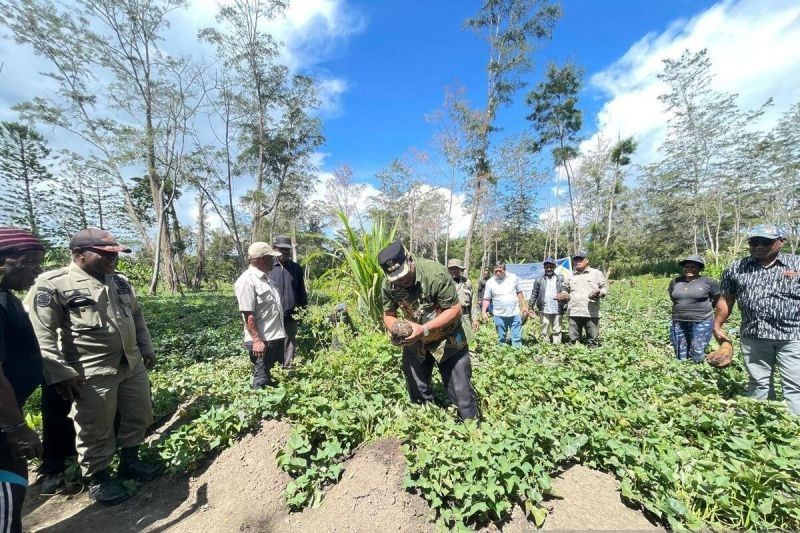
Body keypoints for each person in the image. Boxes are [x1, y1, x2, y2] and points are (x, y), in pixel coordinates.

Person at [25, 228, 159, 505]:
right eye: (105, 255)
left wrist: (146, 348)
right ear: (78, 254)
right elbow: (42, 335)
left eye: (115, 255)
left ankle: (130, 461)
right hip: (89, 371)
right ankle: (98, 476)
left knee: (139, 413)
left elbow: (136, 317)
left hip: (130, 363)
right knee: (94, 426)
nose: (113, 260)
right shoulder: (52, 284)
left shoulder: (119, 281)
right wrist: (60, 374)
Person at [379, 241, 478, 420]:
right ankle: (427, 427)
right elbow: (388, 314)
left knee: (461, 393)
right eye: (396, 278)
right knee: (417, 389)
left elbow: (454, 310)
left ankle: (473, 433)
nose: (402, 280)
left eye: (404, 274)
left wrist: (424, 329)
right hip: (415, 341)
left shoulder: (435, 274)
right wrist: (395, 329)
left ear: (410, 260)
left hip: (447, 338)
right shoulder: (388, 285)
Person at [713, 225, 800, 415]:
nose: (759, 246)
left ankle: (794, 428)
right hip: (754, 335)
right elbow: (726, 298)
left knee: (795, 385)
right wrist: (717, 324)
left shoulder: (797, 265)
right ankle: (760, 423)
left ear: (781, 242)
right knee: (758, 383)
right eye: (754, 242)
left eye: (766, 242)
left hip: (793, 336)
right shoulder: (736, 268)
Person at [0, 228, 45, 533]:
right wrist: (17, 429)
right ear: (5, 260)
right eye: (31, 263)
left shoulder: (7, 299)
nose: (37, 272)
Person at [235, 242, 286, 389]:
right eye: (271, 257)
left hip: (275, 337)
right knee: (262, 379)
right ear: (262, 259)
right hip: (263, 342)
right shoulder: (247, 281)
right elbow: (248, 315)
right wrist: (257, 341)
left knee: (274, 376)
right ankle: (259, 407)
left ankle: (274, 407)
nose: (274, 260)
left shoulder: (267, 279)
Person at [668, 254, 720, 363]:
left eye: (693, 267)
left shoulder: (709, 282)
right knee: (680, 347)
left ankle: (697, 369)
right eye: (687, 267)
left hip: (702, 320)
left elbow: (717, 298)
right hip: (679, 319)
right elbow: (673, 297)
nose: (689, 269)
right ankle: (682, 370)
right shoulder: (676, 281)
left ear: (699, 268)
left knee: (698, 348)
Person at [269, 235, 308, 368]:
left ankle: (287, 369)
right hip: (272, 315)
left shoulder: (296, 268)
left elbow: (301, 292)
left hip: (291, 313)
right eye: (281, 249)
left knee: (289, 341)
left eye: (287, 250)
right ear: (275, 249)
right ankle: (273, 369)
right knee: (273, 341)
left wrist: (303, 312)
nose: (285, 253)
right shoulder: (269, 268)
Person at [563, 251, 608, 347]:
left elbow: (605, 288)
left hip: (591, 312)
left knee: (592, 340)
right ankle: (573, 359)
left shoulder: (596, 273)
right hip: (574, 312)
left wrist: (600, 293)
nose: (578, 261)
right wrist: (563, 294)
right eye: (576, 260)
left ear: (587, 260)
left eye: (580, 259)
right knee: (573, 340)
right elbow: (565, 288)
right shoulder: (570, 275)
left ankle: (593, 358)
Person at [482, 262, 527, 348]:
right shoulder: (490, 282)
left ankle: (518, 354)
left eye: (500, 271)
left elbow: (519, 292)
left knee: (517, 337)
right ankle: (502, 354)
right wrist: (483, 311)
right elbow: (487, 298)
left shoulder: (513, 278)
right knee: (501, 337)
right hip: (499, 314)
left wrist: (524, 306)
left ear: (505, 270)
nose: (498, 273)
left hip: (514, 313)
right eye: (496, 271)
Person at [526, 257, 568, 344]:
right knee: (544, 328)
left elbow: (566, 290)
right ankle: (544, 346)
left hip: (557, 308)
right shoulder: (539, 280)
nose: (549, 269)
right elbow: (534, 293)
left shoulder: (560, 278)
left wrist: (565, 302)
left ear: (554, 267)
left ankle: (557, 346)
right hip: (544, 309)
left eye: (551, 267)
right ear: (544, 268)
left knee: (557, 329)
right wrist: (530, 306)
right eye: (547, 267)